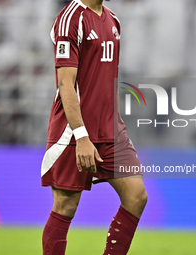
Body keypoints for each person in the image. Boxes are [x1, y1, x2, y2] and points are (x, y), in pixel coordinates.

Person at [41, 0, 148, 254]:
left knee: (136, 196)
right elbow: (66, 84)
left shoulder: (113, 20)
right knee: (65, 206)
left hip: (110, 129)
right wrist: (81, 137)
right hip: (74, 131)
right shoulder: (70, 19)